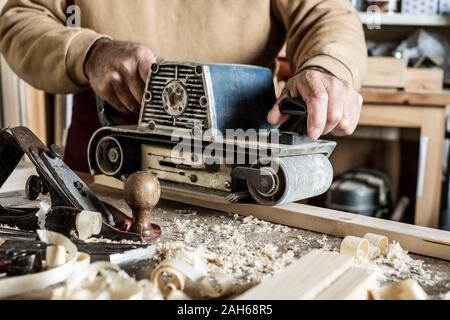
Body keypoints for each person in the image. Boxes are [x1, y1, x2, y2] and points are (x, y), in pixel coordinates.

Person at [0, 0, 367, 172]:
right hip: (110, 146)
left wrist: (328, 66)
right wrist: (89, 52)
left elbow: (325, 12)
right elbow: (21, 18)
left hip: (240, 152)